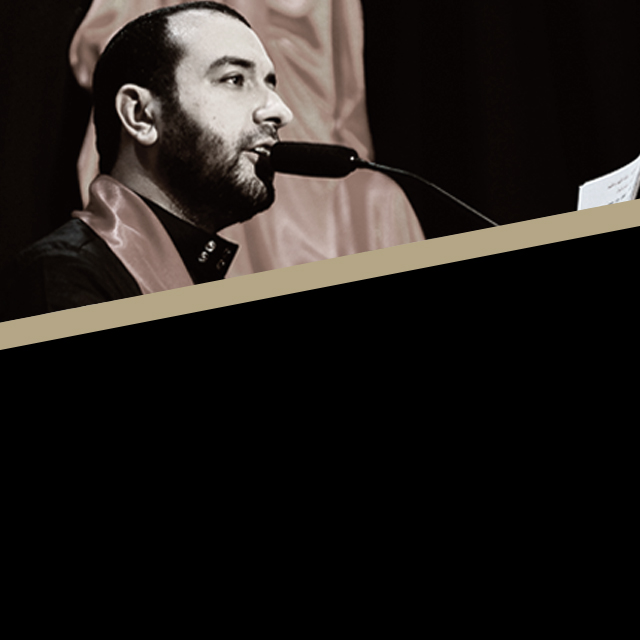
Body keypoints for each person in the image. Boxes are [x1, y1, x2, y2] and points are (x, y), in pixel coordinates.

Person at [0, 1, 293, 321]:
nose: (280, 111)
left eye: (270, 83)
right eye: (234, 79)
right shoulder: (62, 278)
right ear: (141, 115)